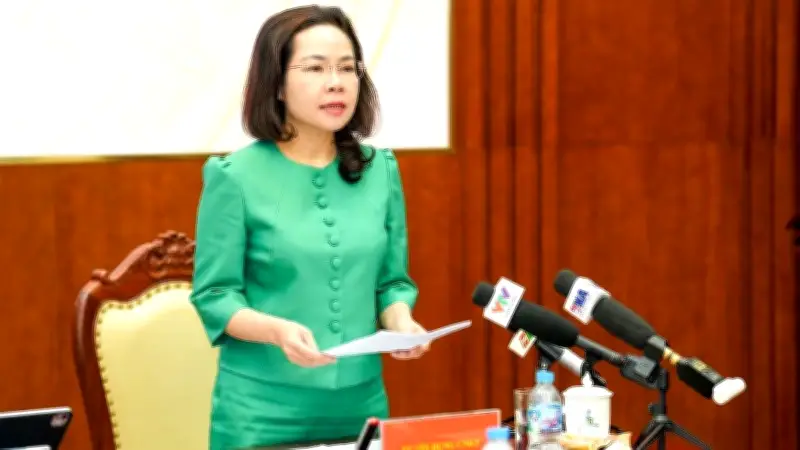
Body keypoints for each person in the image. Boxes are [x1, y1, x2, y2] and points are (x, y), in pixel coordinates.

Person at [189, 4, 430, 450]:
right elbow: (215, 295)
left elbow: (391, 282)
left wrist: (402, 321)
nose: (336, 82)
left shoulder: (381, 170)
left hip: (361, 405)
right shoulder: (233, 177)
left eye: (347, 68)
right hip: (261, 412)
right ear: (277, 84)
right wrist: (277, 331)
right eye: (316, 68)